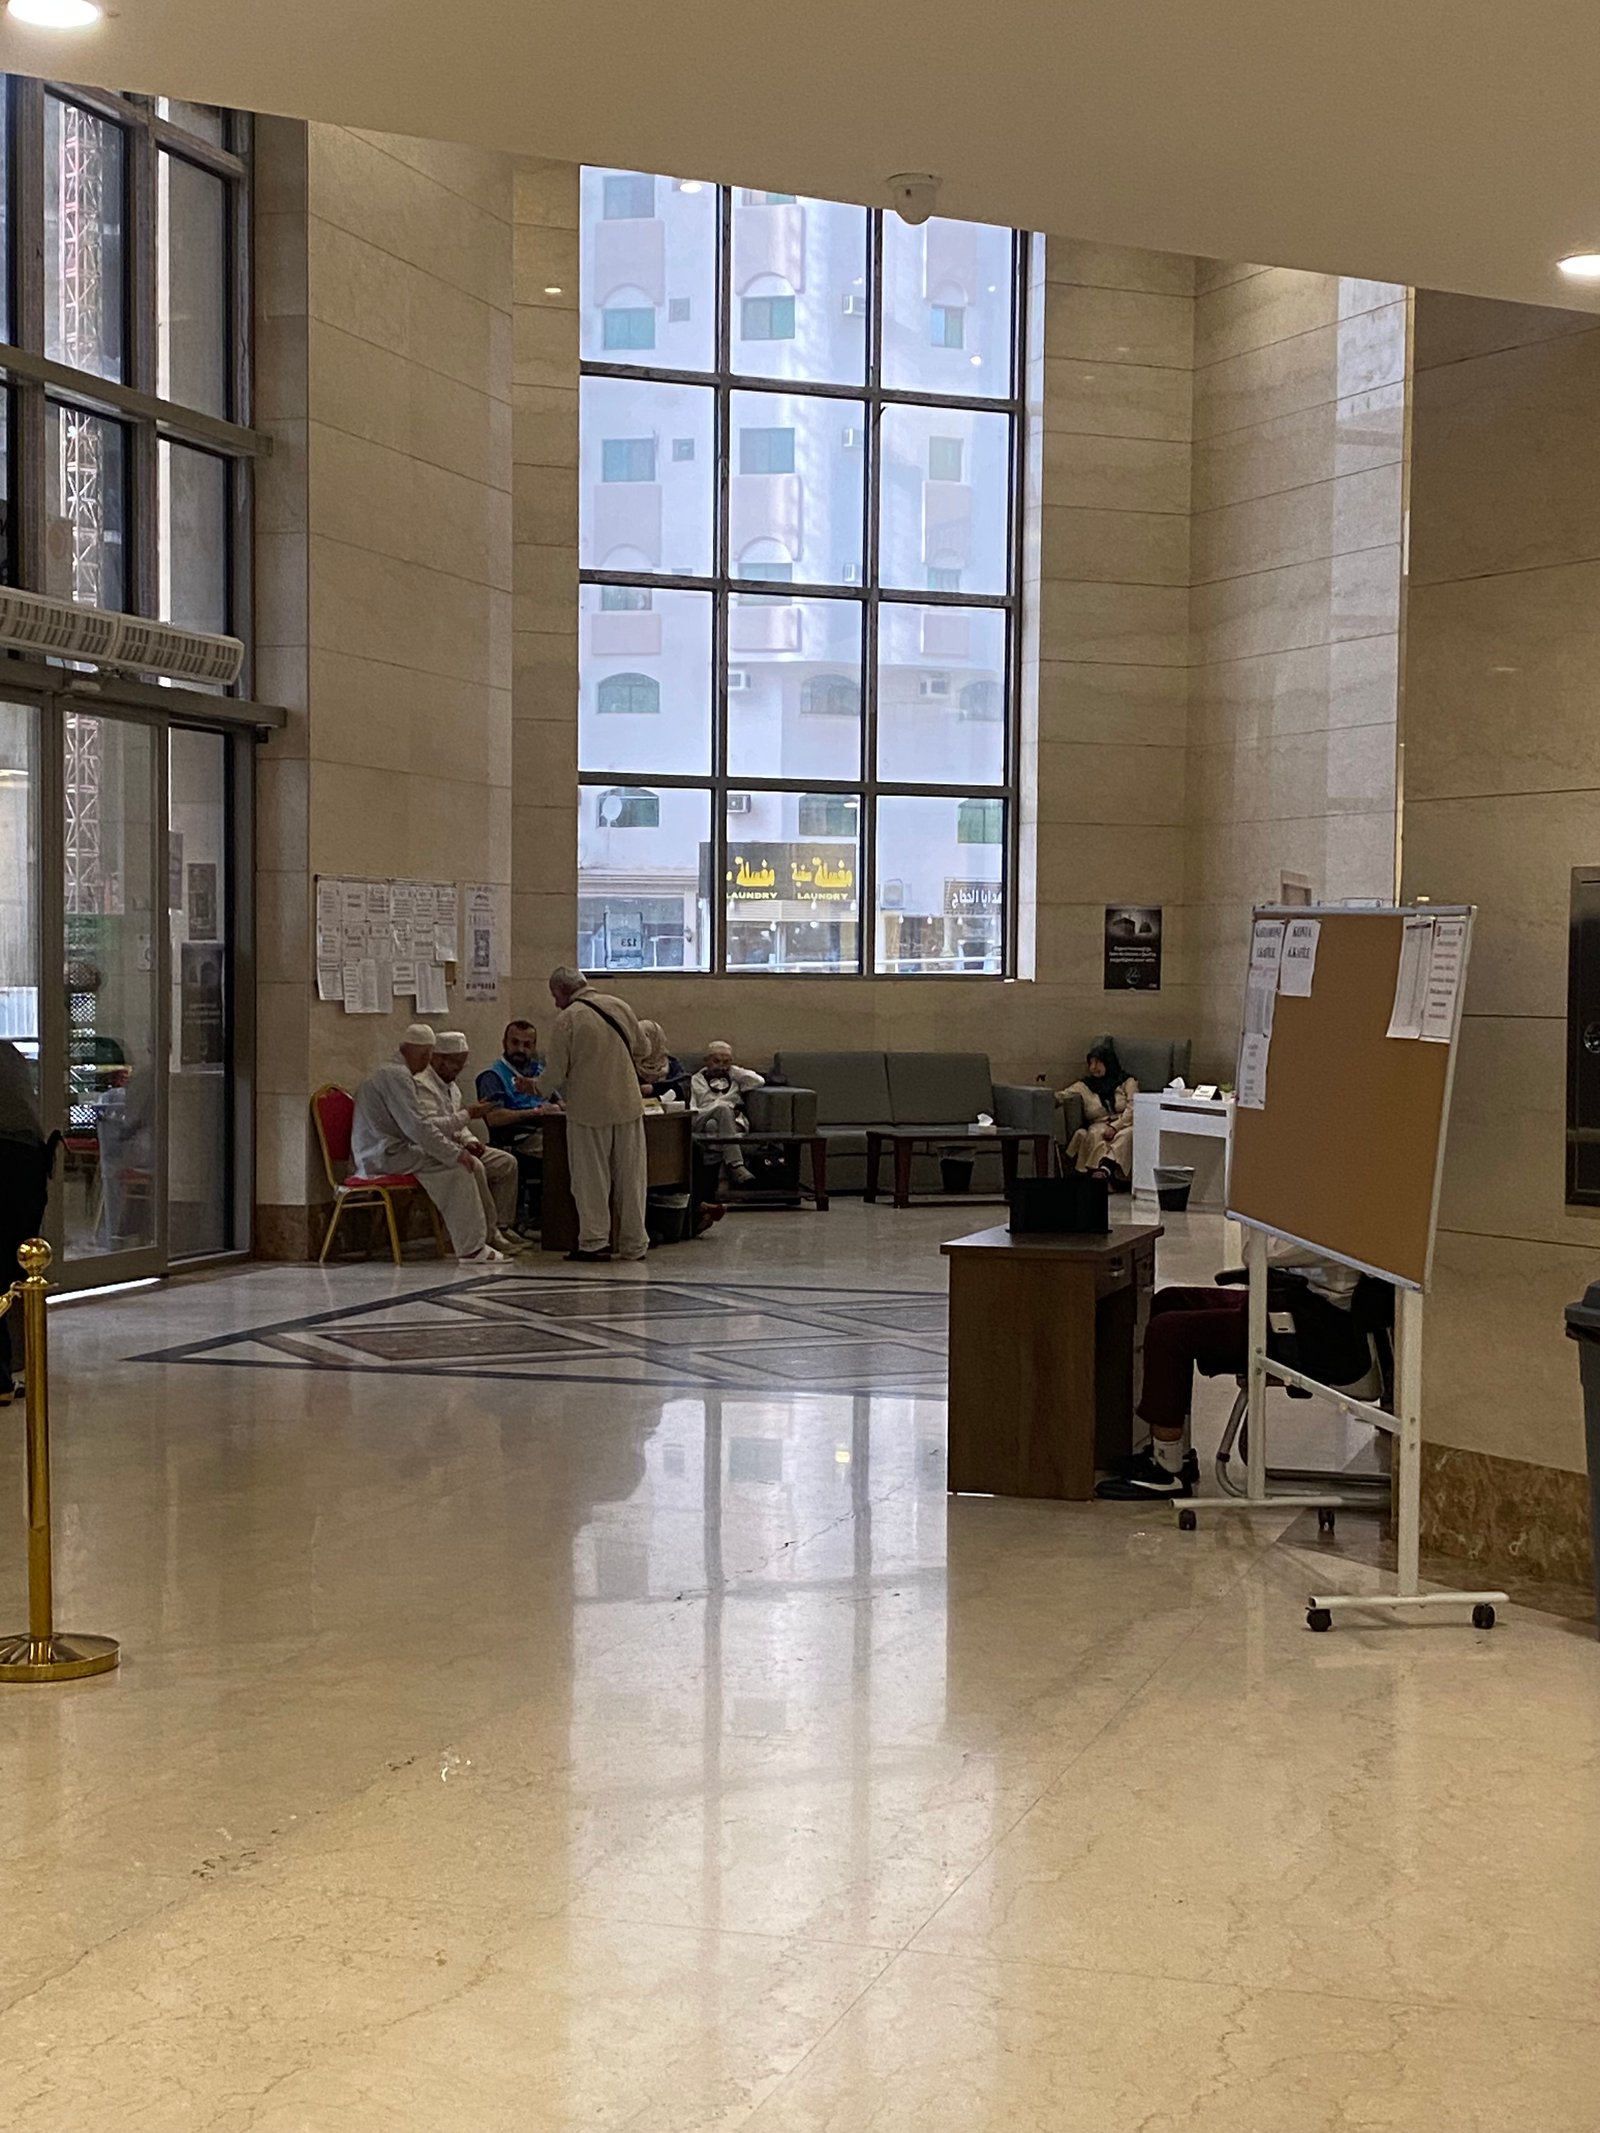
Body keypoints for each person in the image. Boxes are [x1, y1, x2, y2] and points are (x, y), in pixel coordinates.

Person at [1096, 1249, 1370, 1499]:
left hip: (1314, 1333)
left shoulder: (1335, 1222)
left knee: (1168, 1332)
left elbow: (1258, 1252)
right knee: (1170, 1300)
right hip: (1299, 1309)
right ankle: (1177, 1455)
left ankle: (1166, 1471)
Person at [351, 1022, 504, 1265]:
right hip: (383, 1155)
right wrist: (455, 1154)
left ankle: (482, 1238)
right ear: (425, 1055)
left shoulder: (393, 1073)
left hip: (392, 1151)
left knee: (464, 1164)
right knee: (460, 1168)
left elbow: (420, 1127)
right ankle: (471, 1248)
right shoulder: (397, 1076)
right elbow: (418, 1128)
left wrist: (458, 1144)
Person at [536, 967, 653, 1263]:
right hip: (627, 1103)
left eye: (554, 995)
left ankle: (594, 1241)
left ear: (563, 991)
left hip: (588, 1109)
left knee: (590, 1179)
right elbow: (644, 1047)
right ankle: (635, 1244)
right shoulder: (619, 1006)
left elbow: (555, 1072)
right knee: (632, 1178)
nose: (555, 1002)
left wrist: (535, 1087)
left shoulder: (568, 1019)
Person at [419, 1033, 527, 1252]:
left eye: (462, 1063)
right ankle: (488, 1233)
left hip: (457, 1146)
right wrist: (469, 1114)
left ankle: (502, 1225)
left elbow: (459, 1124)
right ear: (437, 1059)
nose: (459, 1069)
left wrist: (470, 1140)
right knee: (474, 1167)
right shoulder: (422, 1086)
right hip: (432, 1152)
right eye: (455, 1063)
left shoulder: (452, 1087)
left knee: (506, 1163)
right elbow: (429, 1129)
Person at [0, 1043, 53, 1406]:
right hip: (25, 1165)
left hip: (13, 1162)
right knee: (8, 1271)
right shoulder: (10, 1055)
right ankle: (6, 1372)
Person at [1058, 1041, 1137, 1185]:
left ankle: (1107, 1169)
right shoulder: (1083, 1086)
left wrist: (1115, 1127)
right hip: (1099, 1124)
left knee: (1128, 1135)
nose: (1093, 1068)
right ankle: (1103, 1177)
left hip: (1124, 1123)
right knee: (1096, 1134)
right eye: (1091, 1063)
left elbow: (1134, 1107)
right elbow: (1062, 1096)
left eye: (1098, 1063)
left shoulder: (1127, 1082)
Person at [690, 1041, 765, 1188]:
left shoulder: (735, 1078)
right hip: (703, 1117)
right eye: (716, 1061)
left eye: (726, 1062)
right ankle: (736, 1166)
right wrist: (716, 1108)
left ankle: (721, 1180)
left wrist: (733, 1070)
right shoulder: (695, 1080)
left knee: (714, 1127)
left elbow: (759, 1081)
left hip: (732, 1122)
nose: (721, 1066)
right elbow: (693, 1109)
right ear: (706, 1061)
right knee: (722, 1108)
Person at [636, 1020, 689, 1106]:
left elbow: (683, 1089)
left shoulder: (672, 1064)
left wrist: (654, 1088)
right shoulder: (630, 1065)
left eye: (644, 1037)